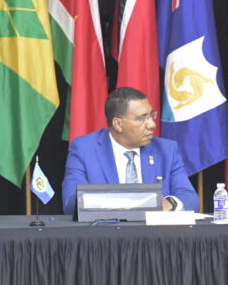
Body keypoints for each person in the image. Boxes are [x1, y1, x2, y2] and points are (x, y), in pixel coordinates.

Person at [62, 87, 199, 215]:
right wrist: (128, 204)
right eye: (142, 118)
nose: (152, 124)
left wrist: (169, 203)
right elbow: (70, 202)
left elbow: (190, 198)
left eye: (151, 116)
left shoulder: (166, 150)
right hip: (107, 231)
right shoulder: (84, 149)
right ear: (118, 124)